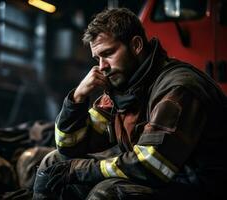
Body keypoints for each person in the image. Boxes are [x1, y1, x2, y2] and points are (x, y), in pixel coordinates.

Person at [33, 8, 227, 200]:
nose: (102, 67)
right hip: (165, 179)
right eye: (97, 58)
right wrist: (77, 98)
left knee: (109, 192)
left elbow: (152, 165)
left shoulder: (177, 89)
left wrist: (80, 170)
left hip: (197, 186)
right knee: (53, 163)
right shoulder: (125, 89)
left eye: (108, 53)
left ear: (135, 45)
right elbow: (68, 145)